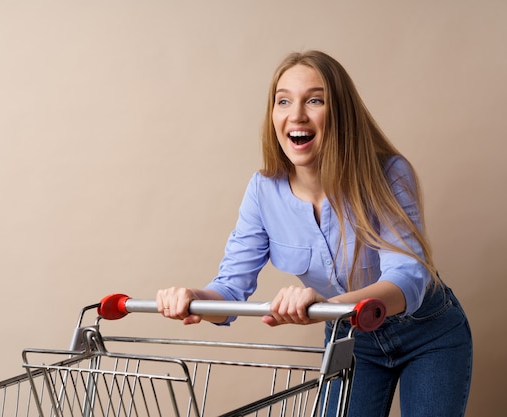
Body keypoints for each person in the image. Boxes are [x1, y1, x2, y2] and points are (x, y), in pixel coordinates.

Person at [156, 50, 472, 416]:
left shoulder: (387, 173)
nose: (296, 115)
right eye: (284, 101)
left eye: (315, 100)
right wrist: (194, 296)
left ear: (340, 112)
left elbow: (409, 280)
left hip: (427, 335)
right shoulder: (263, 191)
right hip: (352, 342)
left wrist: (324, 306)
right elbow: (229, 288)